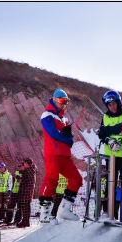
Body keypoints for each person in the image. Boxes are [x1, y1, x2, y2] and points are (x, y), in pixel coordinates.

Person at [39, 89, 83, 223]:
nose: (64, 104)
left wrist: (70, 136)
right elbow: (52, 133)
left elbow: (65, 134)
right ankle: (44, 214)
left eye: (66, 102)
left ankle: (64, 211)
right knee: (51, 179)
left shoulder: (63, 117)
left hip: (65, 155)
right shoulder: (47, 114)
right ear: (55, 100)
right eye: (62, 101)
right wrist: (67, 138)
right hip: (53, 153)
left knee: (76, 179)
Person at [97, 90, 122, 221]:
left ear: (118, 102)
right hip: (111, 156)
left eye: (114, 104)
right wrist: (108, 139)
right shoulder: (105, 117)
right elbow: (101, 134)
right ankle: (108, 213)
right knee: (110, 185)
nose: (112, 107)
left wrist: (112, 130)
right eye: (109, 105)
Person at [16, 158, 37, 228]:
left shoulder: (30, 171)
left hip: (27, 191)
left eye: (24, 163)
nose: (23, 164)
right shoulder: (28, 171)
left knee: (26, 206)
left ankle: (25, 221)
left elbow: (27, 181)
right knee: (25, 206)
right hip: (26, 191)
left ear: (27, 164)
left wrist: (20, 178)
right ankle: (25, 221)